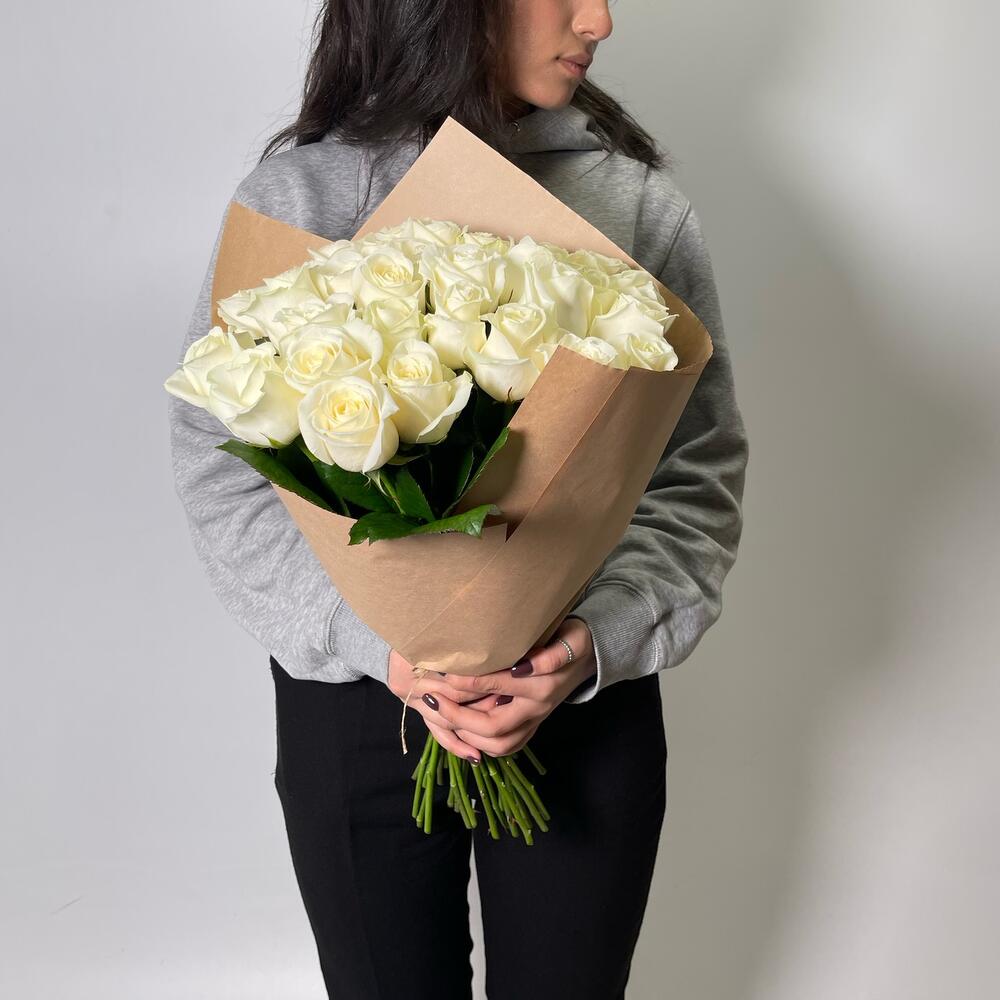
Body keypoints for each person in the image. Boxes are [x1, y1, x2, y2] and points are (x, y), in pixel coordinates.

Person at [166, 1, 749, 996]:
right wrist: (383, 646)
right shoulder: (298, 199)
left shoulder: (637, 206)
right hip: (356, 705)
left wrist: (593, 642)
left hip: (579, 701)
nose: (599, 19)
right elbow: (224, 463)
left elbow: (694, 469)